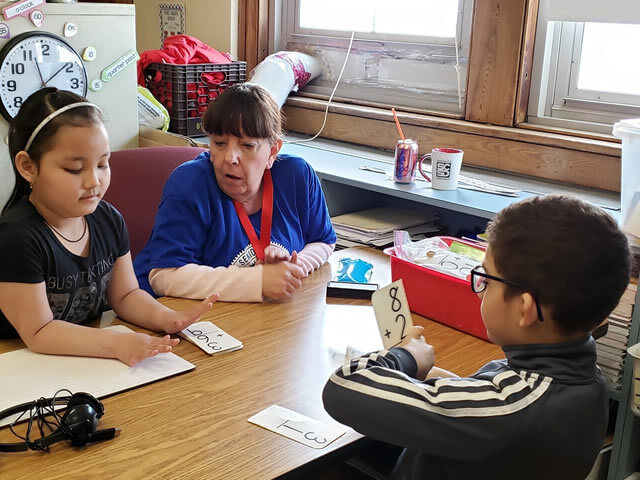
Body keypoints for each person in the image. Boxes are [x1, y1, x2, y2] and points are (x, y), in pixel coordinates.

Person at [323, 194, 631, 480]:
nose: (480, 287)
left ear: (524, 309)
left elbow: (342, 386)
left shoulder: (510, 408)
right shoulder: (587, 382)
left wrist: (403, 357)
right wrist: (429, 375)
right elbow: (488, 411)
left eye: (486, 279)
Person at [0, 88, 217, 366]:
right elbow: (39, 331)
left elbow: (125, 295)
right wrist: (117, 343)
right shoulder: (16, 238)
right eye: (75, 169)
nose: (94, 181)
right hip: (20, 362)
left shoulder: (108, 219)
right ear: (28, 166)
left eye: (103, 164)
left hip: (84, 353)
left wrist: (166, 317)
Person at [134, 83, 336, 302]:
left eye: (247, 146)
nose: (230, 158)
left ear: (273, 151)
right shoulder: (189, 184)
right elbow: (163, 277)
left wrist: (292, 270)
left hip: (253, 315)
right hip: (167, 316)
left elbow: (324, 240)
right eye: (219, 143)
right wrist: (257, 281)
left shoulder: (297, 175)